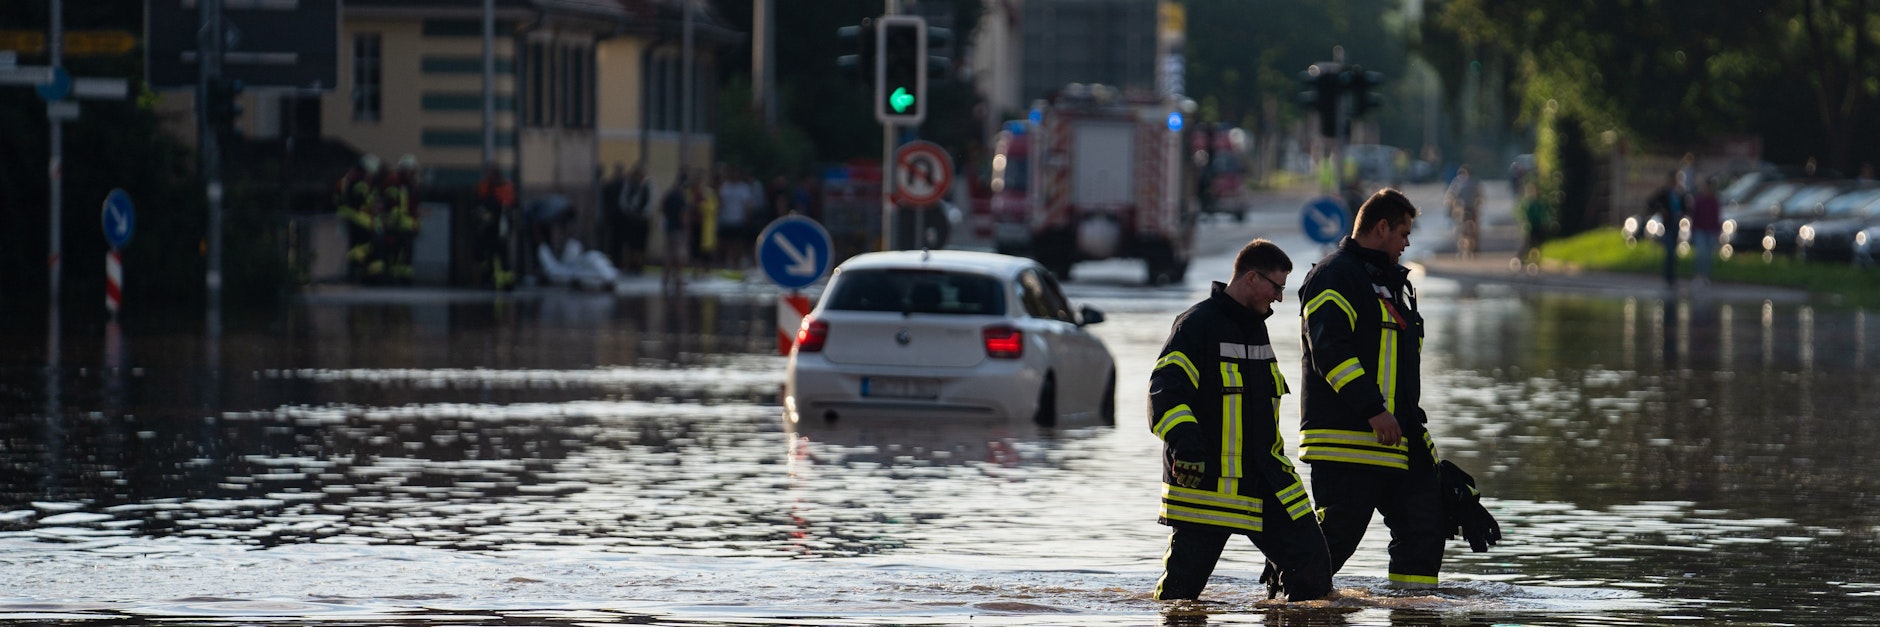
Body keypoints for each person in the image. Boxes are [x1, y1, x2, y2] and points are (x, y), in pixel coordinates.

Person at [1150, 238, 1332, 602]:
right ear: (1251, 277)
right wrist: (1188, 448)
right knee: (1180, 599)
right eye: (1276, 286)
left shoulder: (1255, 328)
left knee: (1313, 573)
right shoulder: (1195, 325)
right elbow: (1165, 394)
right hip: (1208, 483)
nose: (1279, 297)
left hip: (1265, 480)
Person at [1297, 188, 1444, 589]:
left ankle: (1412, 614)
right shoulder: (1334, 275)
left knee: (1424, 528)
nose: (1408, 243)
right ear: (1381, 228)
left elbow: (1401, 376)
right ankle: (1285, 605)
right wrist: (1372, 409)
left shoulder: (1392, 283)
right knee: (1337, 540)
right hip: (1345, 439)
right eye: (1403, 234)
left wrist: (1423, 447)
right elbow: (1330, 352)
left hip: (1395, 439)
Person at [335, 154, 384, 283]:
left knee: (362, 248)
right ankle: (357, 274)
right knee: (364, 247)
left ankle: (363, 276)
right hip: (359, 221)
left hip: (360, 221)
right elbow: (360, 202)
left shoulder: (354, 180)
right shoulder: (360, 183)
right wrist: (373, 207)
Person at [473, 165, 517, 290]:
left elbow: (508, 210)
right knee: (488, 256)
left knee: (502, 257)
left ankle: (505, 283)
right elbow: (479, 206)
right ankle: (491, 280)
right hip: (489, 230)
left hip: (499, 230)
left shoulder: (504, 189)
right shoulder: (485, 189)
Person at [604, 162, 652, 274]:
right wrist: (629, 211)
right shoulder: (629, 185)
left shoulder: (647, 186)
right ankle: (628, 265)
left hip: (642, 219)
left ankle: (638, 265)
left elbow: (650, 202)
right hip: (630, 218)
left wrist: (643, 213)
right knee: (629, 243)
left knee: (640, 245)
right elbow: (624, 200)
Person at [383, 154, 423, 285]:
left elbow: (413, 209)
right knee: (395, 254)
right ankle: (395, 278)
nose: (413, 174)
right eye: (411, 171)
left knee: (405, 255)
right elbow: (392, 205)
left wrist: (416, 224)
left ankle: (403, 279)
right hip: (396, 226)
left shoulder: (411, 186)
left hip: (407, 226)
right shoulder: (394, 183)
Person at [1646, 170, 1687, 288]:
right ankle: (1668, 276)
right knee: (1669, 250)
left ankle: (1672, 275)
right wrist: (1661, 210)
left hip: (1676, 224)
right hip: (1667, 225)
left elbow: (1685, 208)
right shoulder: (1663, 193)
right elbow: (1651, 203)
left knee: (1674, 251)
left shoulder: (1680, 194)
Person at [661, 168, 694, 288]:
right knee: (679, 256)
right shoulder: (681, 198)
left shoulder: (669, 195)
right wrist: (686, 230)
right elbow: (683, 215)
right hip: (678, 230)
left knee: (669, 254)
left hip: (669, 228)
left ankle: (666, 278)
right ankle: (678, 278)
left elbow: (662, 209)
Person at [1443, 165, 1482, 257]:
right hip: (1465, 209)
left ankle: (1467, 249)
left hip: (1466, 209)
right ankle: (1467, 249)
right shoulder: (1469, 181)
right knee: (1466, 230)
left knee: (1465, 230)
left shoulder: (1460, 182)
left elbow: (1450, 196)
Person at [1690, 175, 1722, 286]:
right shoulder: (1699, 200)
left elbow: (1716, 216)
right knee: (1701, 253)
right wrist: (1693, 229)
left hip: (1711, 230)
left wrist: (1718, 230)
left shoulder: (1714, 201)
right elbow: (1695, 215)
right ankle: (1699, 275)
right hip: (1700, 230)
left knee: (1708, 255)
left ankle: (1706, 275)